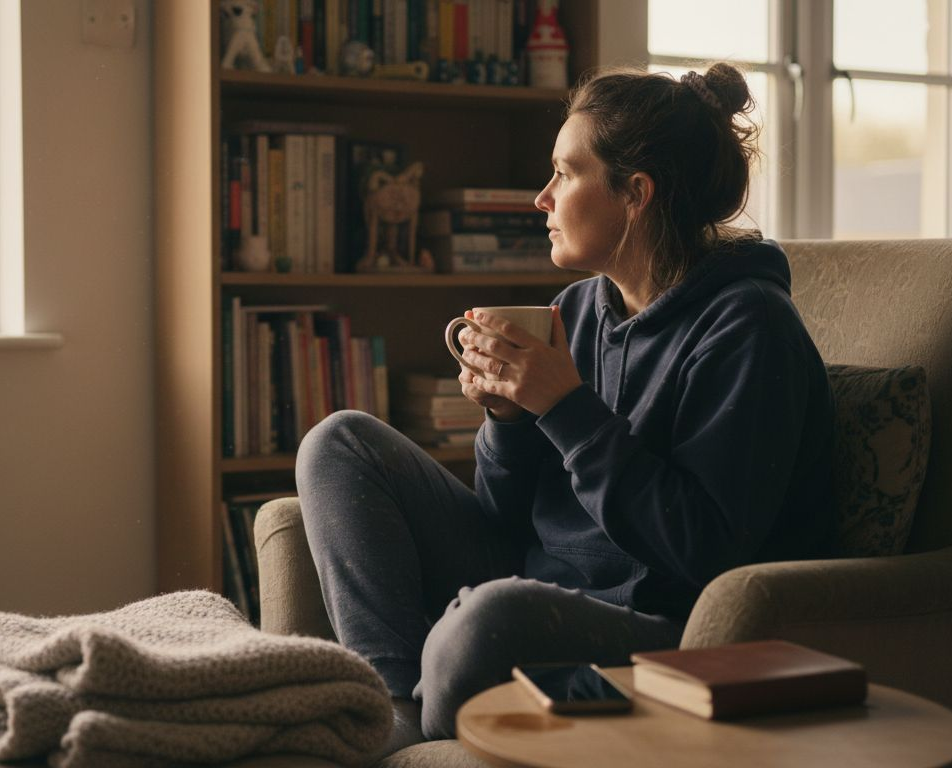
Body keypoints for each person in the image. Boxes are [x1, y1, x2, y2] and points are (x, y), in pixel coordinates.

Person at [295, 63, 836, 744]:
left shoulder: (749, 328)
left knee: (489, 622)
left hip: (664, 623)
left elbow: (705, 552)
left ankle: (415, 716)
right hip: (537, 581)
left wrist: (565, 408)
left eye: (566, 173)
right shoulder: (576, 311)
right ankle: (397, 714)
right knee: (339, 443)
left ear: (636, 194)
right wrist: (509, 419)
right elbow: (505, 515)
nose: (542, 199)